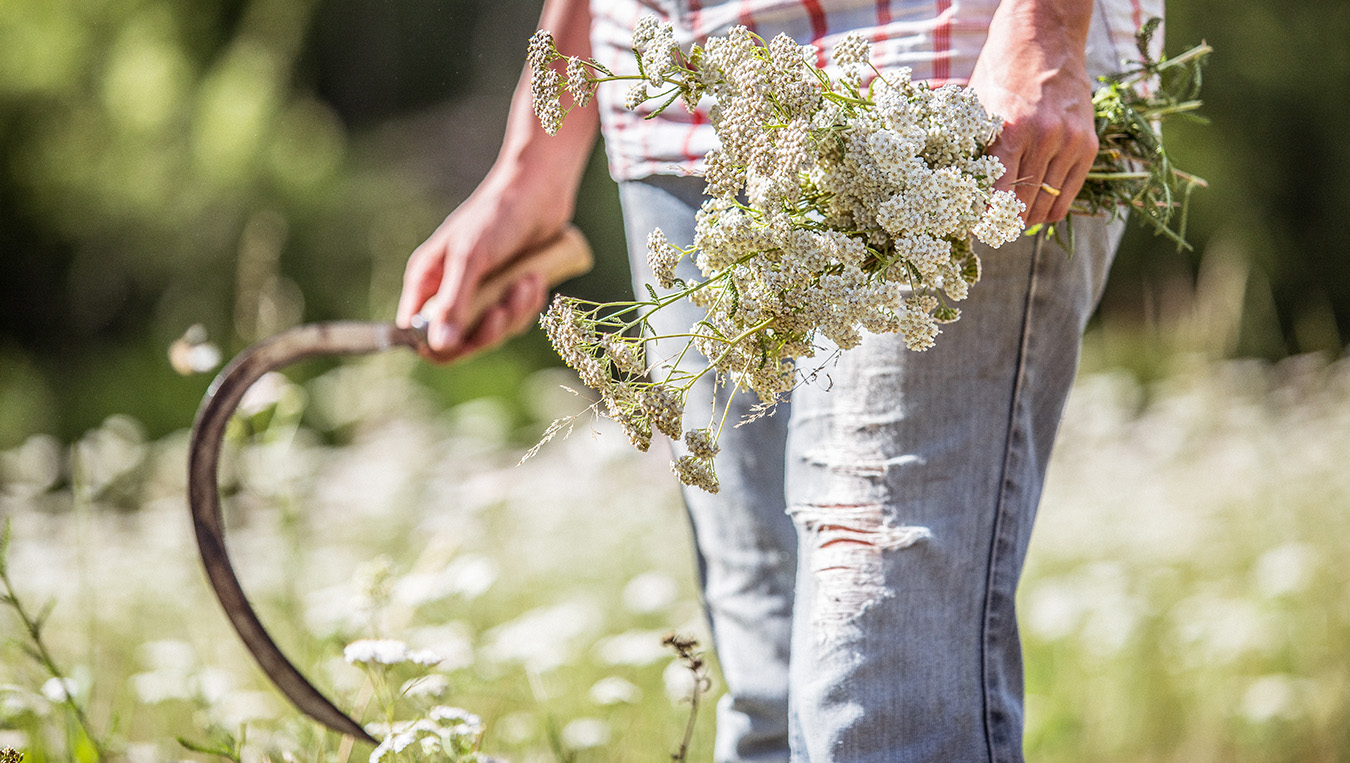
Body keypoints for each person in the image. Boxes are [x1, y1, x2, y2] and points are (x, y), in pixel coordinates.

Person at [396, 1, 1162, 760]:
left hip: (938, 93)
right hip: (678, 115)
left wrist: (1046, 26)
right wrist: (535, 157)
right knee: (770, 696)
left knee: (877, 706)